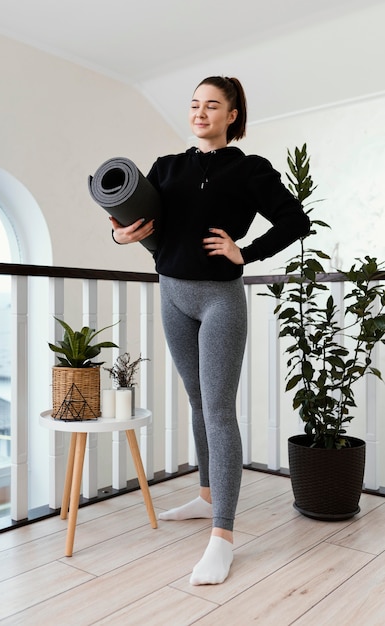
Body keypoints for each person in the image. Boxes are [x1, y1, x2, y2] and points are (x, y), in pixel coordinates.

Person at [110, 76, 310, 585]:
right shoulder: (166, 168)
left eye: (212, 105)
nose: (200, 113)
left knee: (219, 411)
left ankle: (222, 536)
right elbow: (142, 226)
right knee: (197, 403)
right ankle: (205, 497)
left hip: (220, 298)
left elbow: (294, 220)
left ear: (233, 114)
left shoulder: (250, 170)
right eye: (195, 104)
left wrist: (249, 252)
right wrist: (119, 233)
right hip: (172, 293)